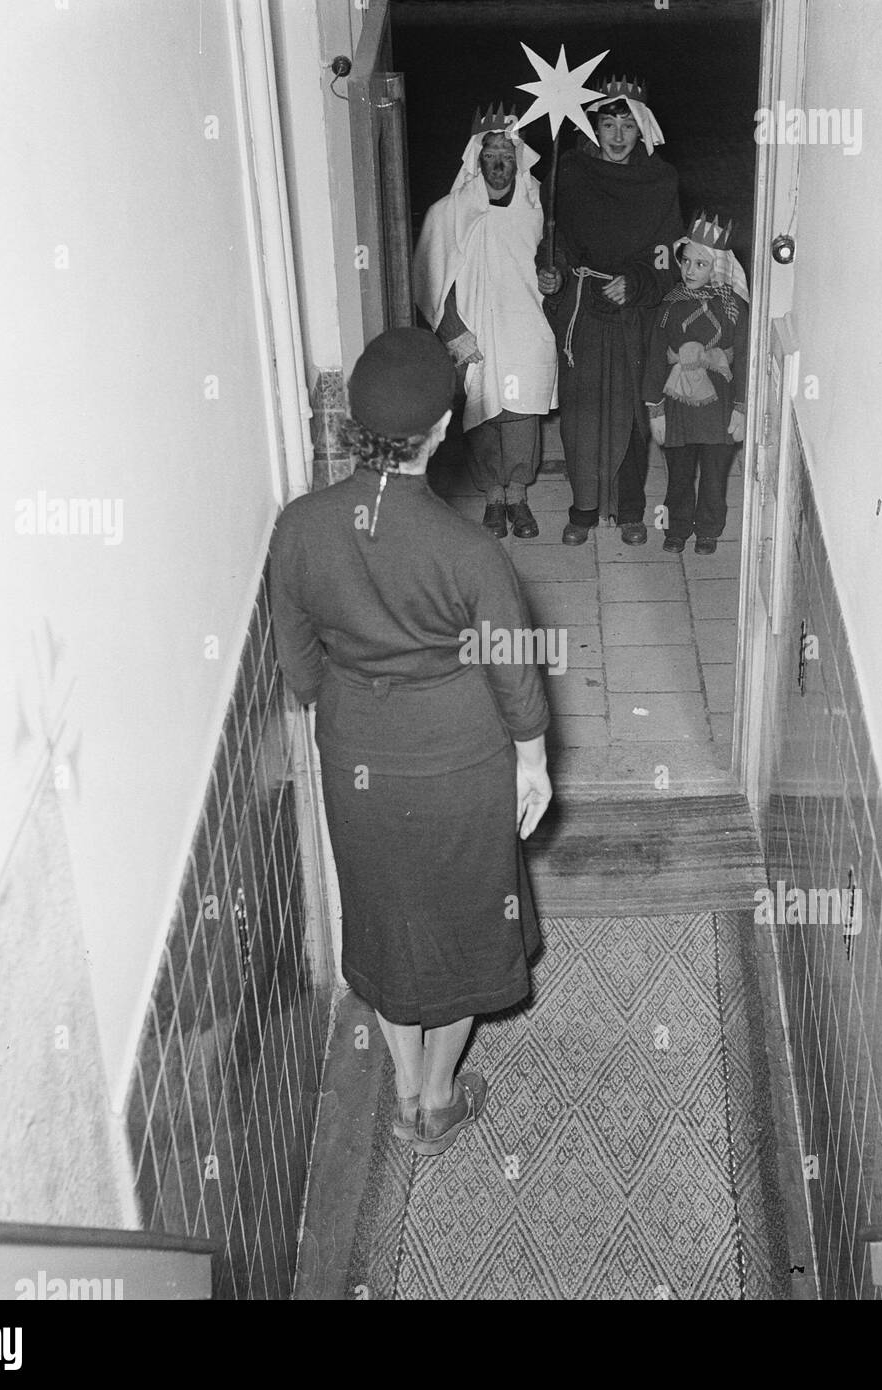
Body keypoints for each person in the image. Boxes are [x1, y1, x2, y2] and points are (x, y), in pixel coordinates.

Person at [268, 328, 553, 1157]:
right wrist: (531, 761)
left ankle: (400, 1091)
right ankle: (437, 1100)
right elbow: (512, 670)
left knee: (387, 916)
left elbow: (298, 665)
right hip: (459, 756)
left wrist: (358, 707)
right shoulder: (471, 552)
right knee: (465, 921)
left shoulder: (299, 527)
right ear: (441, 428)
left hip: (354, 750)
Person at [538, 78, 683, 546]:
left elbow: (667, 252)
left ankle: (631, 510)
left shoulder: (661, 181)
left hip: (633, 315)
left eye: (627, 125)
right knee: (581, 413)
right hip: (581, 309)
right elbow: (555, 239)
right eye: (607, 124)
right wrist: (554, 272)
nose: (618, 136)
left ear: (642, 129)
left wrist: (637, 282)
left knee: (632, 413)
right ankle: (582, 507)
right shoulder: (571, 174)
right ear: (593, 126)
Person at [414, 106, 559, 540]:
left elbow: (552, 261)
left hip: (524, 327)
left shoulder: (535, 210)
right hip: (473, 330)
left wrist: (555, 277)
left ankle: (518, 494)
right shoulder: (449, 212)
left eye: (507, 156)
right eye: (490, 155)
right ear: (476, 159)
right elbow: (433, 278)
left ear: (519, 160)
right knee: (482, 413)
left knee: (519, 412)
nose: (499, 165)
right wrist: (453, 331)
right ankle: (493, 497)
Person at [643, 213, 750, 555]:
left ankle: (708, 529)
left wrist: (741, 407)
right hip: (677, 408)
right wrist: (655, 409)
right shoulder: (668, 306)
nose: (689, 270)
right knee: (679, 473)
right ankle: (676, 528)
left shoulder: (734, 308)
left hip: (719, 407)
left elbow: (745, 357)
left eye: (700, 264)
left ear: (716, 268)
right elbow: (656, 356)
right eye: (686, 261)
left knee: (715, 476)